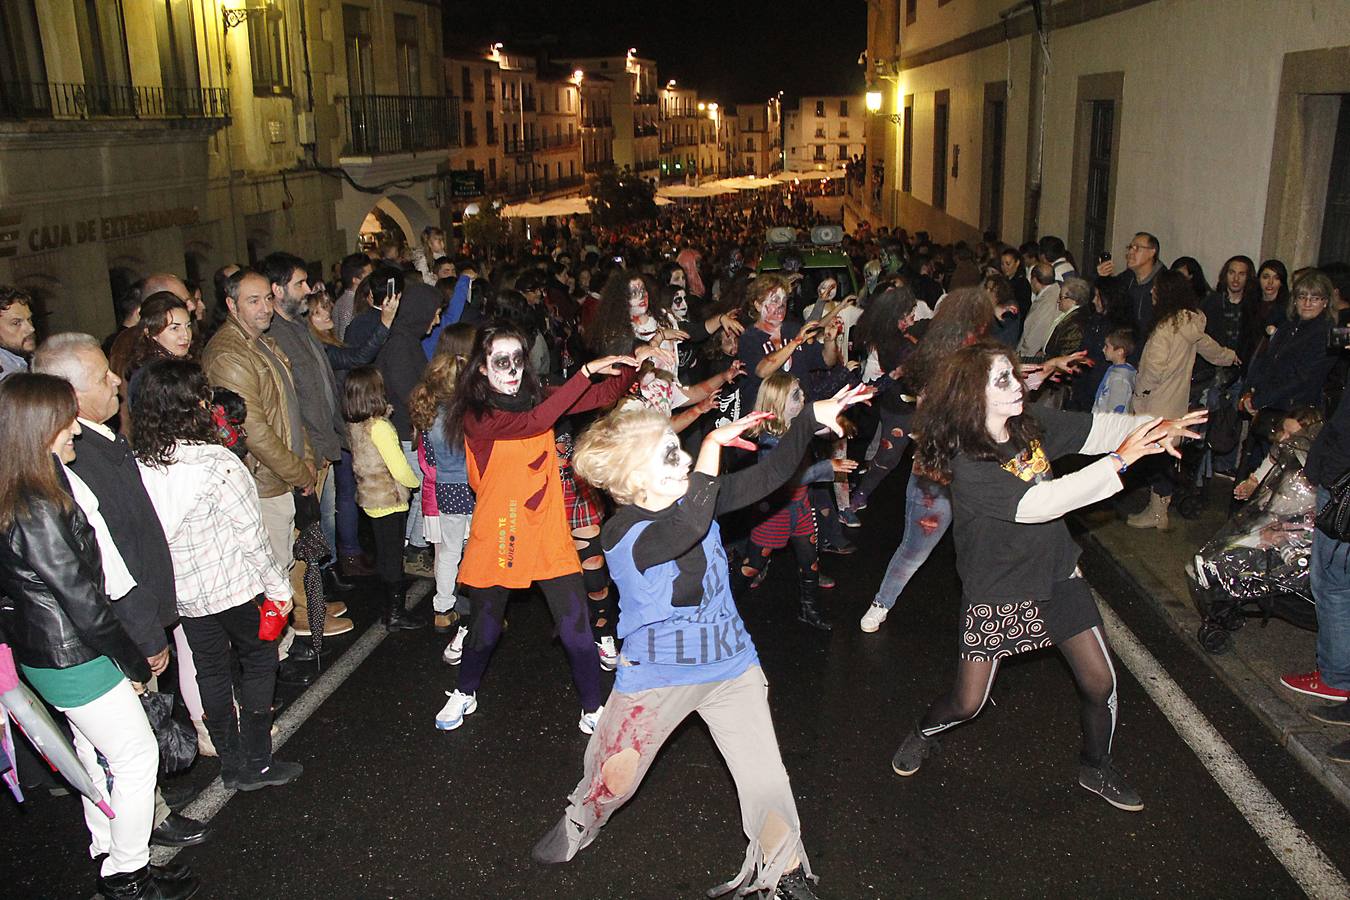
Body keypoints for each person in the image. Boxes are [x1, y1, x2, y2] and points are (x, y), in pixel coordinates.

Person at [531, 384, 871, 899]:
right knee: (613, 779)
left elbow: (772, 475)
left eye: (680, 447)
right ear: (631, 480)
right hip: (656, 676)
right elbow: (686, 528)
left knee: (765, 777)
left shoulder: (697, 496)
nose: (683, 459)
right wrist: (713, 443)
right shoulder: (623, 533)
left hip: (730, 665)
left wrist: (809, 421)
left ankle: (781, 869)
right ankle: (583, 816)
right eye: (668, 454)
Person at [891, 340, 1204, 812]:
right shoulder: (967, 461)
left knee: (1101, 683)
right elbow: (1039, 505)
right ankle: (924, 731)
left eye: (1014, 375)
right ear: (972, 395)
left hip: (1057, 572)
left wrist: (1156, 425)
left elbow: (1097, 428)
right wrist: (1120, 461)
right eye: (1002, 381)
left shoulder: (1029, 426)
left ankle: (1095, 767)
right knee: (968, 702)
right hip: (998, 589)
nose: (1017, 385)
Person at [0, 373, 198, 900]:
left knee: (98, 756)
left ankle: (113, 855)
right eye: (65, 419)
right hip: (73, 656)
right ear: (38, 426)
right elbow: (82, 598)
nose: (75, 429)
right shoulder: (36, 501)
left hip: (61, 653)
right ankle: (128, 875)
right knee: (135, 757)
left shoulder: (40, 480)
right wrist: (131, 661)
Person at [31, 334, 212, 846]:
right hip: (117, 630)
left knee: (116, 741)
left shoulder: (98, 441)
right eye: (102, 376)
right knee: (128, 746)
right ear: (67, 391)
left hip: (132, 619)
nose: (117, 380)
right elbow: (101, 570)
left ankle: (126, 829)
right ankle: (134, 841)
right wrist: (142, 633)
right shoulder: (73, 463)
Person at [433, 324, 652, 734]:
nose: (513, 370)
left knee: (576, 627)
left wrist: (634, 362)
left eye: (519, 359)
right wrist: (584, 372)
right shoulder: (477, 416)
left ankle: (593, 707)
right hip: (501, 531)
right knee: (483, 629)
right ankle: (465, 691)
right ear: (482, 368)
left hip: (547, 529)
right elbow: (535, 423)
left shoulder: (538, 396)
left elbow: (602, 396)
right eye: (502, 362)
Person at [132, 359, 302, 794]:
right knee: (259, 661)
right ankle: (258, 760)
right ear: (195, 405)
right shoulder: (217, 464)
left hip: (187, 595)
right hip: (237, 587)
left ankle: (231, 764)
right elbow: (252, 537)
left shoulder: (140, 467)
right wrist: (279, 589)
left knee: (210, 670)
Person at [201, 269, 317, 631]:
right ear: (231, 305)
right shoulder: (228, 354)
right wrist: (300, 471)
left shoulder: (262, 341)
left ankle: (280, 645)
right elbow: (253, 432)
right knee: (269, 574)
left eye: (268, 298)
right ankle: (274, 654)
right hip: (262, 481)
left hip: (281, 475)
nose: (265, 307)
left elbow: (289, 408)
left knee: (279, 565)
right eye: (254, 301)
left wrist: (307, 457)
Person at [1128, 269, 1238, 530]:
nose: (1153, 293)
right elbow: (1211, 349)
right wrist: (1231, 356)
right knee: (1165, 456)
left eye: (1156, 289)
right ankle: (1158, 510)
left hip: (1155, 401)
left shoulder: (1166, 328)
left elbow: (1154, 368)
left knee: (1155, 458)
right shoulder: (1191, 325)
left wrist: (1140, 392)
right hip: (1175, 401)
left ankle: (1157, 514)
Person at [342, 365, 426, 631]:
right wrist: (414, 483)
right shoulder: (380, 428)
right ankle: (395, 613)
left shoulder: (357, 424)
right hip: (390, 500)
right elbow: (398, 466)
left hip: (371, 498)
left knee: (385, 554)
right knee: (392, 559)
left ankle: (389, 607)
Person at [1093, 329, 1137, 414]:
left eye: (1107, 346)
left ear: (1120, 351)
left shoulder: (1120, 379)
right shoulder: (1115, 371)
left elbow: (1116, 408)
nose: (1103, 349)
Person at [0, 286, 36, 382]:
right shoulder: (5, 378)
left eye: (29, 319)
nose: (31, 329)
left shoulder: (19, 363)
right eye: (16, 323)